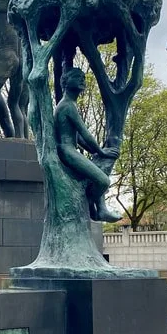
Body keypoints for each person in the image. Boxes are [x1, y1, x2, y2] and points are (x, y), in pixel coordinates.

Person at [54, 69, 122, 223]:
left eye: (83, 77)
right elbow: (85, 133)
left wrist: (96, 151)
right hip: (67, 151)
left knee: (98, 171)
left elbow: (78, 138)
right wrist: (101, 152)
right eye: (77, 77)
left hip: (71, 148)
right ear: (65, 82)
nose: (82, 80)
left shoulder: (70, 104)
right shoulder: (67, 105)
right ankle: (87, 202)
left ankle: (101, 210)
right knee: (103, 181)